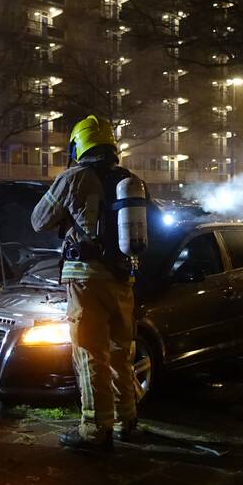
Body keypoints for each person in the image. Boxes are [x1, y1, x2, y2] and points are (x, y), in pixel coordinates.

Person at [31, 115, 147, 450]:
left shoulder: (74, 177)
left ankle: (95, 430)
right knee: (120, 352)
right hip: (124, 277)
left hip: (86, 280)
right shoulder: (131, 181)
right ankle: (128, 422)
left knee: (90, 354)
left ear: (79, 145)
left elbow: (38, 221)